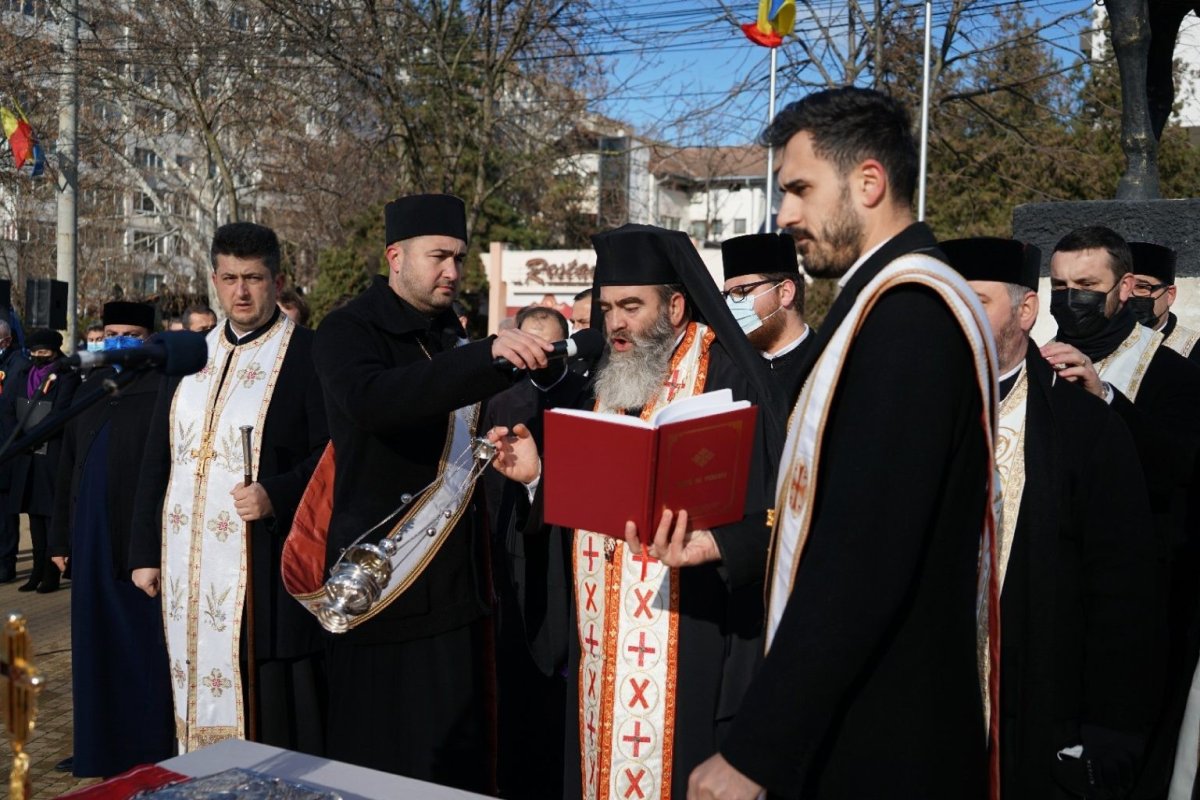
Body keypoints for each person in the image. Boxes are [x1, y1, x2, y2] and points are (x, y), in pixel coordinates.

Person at [689, 87, 998, 800]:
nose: (785, 214)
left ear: (868, 182)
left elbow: (863, 558)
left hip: (883, 729)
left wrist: (755, 750)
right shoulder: (888, 304)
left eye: (799, 188)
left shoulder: (908, 317)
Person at [488, 223, 785, 800]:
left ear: (676, 305)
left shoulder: (729, 375)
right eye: (606, 309)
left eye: (631, 306)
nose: (616, 324)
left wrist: (718, 546)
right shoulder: (602, 381)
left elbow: (779, 516)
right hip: (602, 649)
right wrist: (538, 478)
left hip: (692, 635)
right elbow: (589, 507)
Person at [301, 193, 554, 790]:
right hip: (385, 582)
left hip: (457, 585)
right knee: (386, 758)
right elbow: (375, 403)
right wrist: (482, 359)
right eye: (439, 256)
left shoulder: (446, 333)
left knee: (455, 759)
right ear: (395, 256)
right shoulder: (346, 328)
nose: (453, 271)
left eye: (460, 259)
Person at [944, 236, 1167, 799]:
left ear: (1025, 311)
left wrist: (1109, 730)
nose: (960, 319)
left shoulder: (1082, 425)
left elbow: (1122, 587)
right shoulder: (916, 416)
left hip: (1040, 708)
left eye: (977, 301)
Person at [130, 222, 329, 754]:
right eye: (229, 278)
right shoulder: (188, 354)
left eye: (254, 278)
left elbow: (333, 455)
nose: (241, 292)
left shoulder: (309, 354)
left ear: (277, 281)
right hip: (184, 568)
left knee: (268, 697)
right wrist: (144, 552)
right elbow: (159, 457)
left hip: (263, 565)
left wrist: (277, 493)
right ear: (214, 280)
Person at [1043, 225, 1200, 800]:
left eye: (1087, 284)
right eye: (1059, 286)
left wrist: (1105, 401)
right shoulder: (1041, 366)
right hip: (1058, 601)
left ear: (1125, 287)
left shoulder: (1175, 374)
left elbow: (1181, 467)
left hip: (1144, 605)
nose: (1071, 298)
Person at [47, 301, 174, 778]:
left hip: (134, 542)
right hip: (90, 535)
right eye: (111, 332)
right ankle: (98, 747)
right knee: (92, 647)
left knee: (137, 649)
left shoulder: (164, 388)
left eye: (132, 334)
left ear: (151, 338)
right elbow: (67, 465)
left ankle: (144, 749)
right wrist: (60, 538)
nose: (119, 342)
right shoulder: (89, 388)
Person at [480, 304, 589, 800]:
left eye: (548, 345)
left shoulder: (586, 396)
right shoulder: (498, 397)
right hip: (510, 548)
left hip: (568, 554)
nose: (537, 356)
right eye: (529, 344)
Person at [2, 328, 80, 594]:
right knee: (33, 515)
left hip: (51, 453)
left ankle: (50, 573)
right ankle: (36, 571)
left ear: (55, 351)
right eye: (34, 352)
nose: (37, 357)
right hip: (27, 455)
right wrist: (20, 435)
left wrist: (36, 434)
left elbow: (62, 411)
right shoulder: (24, 373)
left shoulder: (66, 376)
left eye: (43, 352)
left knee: (49, 513)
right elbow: (10, 405)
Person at [721, 232, 812, 405]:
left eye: (742, 292)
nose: (731, 306)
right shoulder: (728, 370)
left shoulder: (825, 364)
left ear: (785, 292)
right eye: (727, 296)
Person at [1125, 241, 1200, 365]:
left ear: (1170, 295)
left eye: (1142, 287)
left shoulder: (1193, 348)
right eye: (1122, 286)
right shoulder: (1097, 341)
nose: (1128, 295)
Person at [0, 318, 29, 583]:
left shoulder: (18, 366)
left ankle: (5, 563)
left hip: (6, 448)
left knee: (5, 513)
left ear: (6, 341)